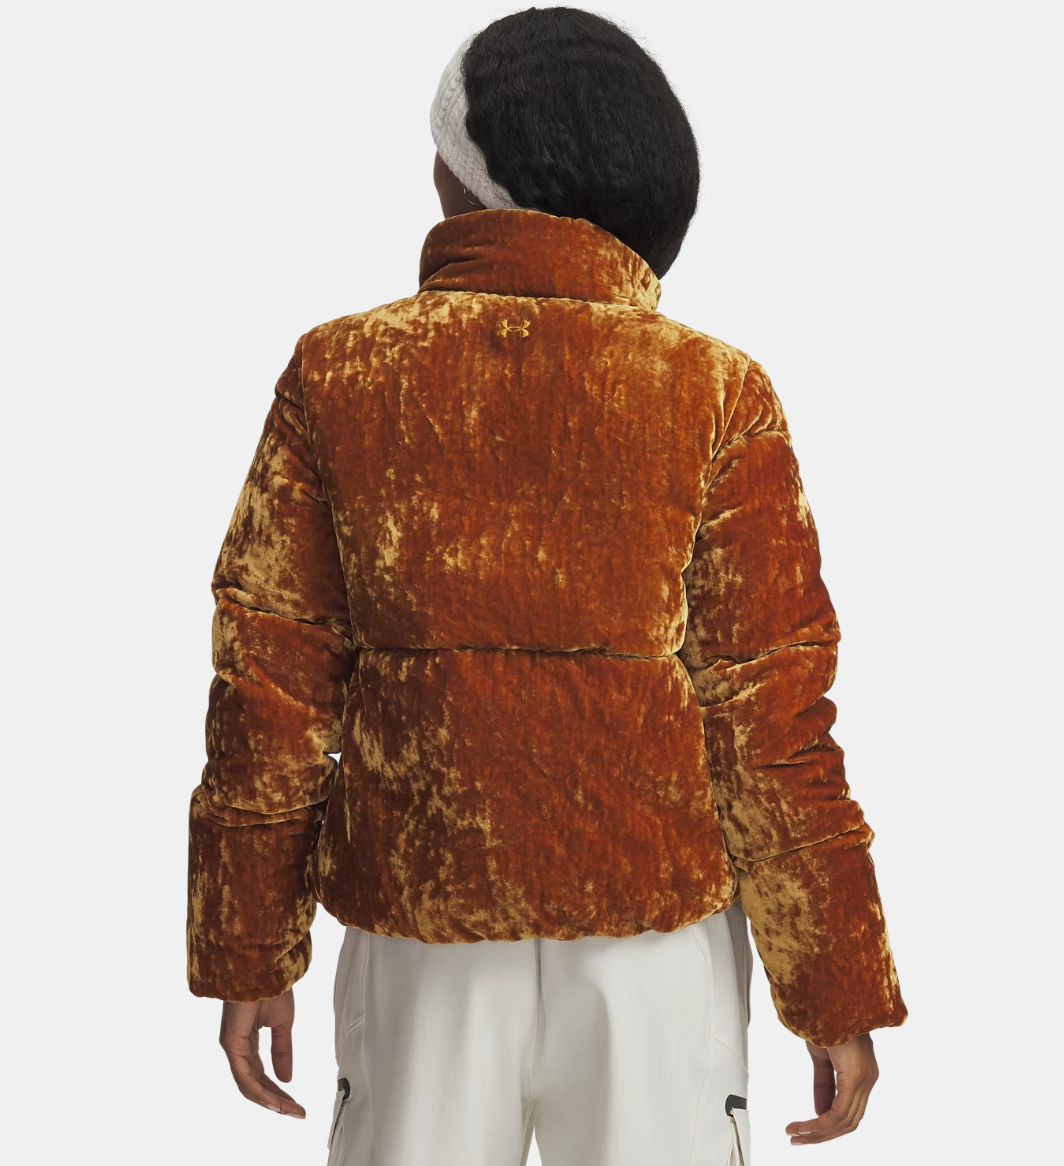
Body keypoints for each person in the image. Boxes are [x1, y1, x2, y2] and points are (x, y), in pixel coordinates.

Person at [187, 8, 907, 1164]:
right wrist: (832, 983)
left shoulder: (342, 370)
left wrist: (247, 944)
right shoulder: (715, 388)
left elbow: (268, 685)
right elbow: (771, 716)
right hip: (653, 951)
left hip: (420, 926)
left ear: (464, 179)